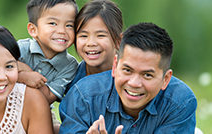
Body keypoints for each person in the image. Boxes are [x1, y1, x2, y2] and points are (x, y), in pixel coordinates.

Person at [59, 23, 197, 133]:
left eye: (147, 75)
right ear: (115, 66)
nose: (134, 83)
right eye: (127, 70)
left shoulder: (180, 102)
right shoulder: (82, 98)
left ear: (165, 79)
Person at [17, 0, 78, 104]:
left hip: (38, 112)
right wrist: (22, 76)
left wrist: (23, 71)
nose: (62, 31)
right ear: (33, 30)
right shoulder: (20, 48)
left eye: (69, 25)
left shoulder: (70, 65)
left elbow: (48, 98)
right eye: (53, 23)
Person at [64, 0, 123, 94]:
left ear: (118, 41)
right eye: (83, 36)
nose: (91, 43)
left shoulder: (129, 78)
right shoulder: (70, 77)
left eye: (101, 35)